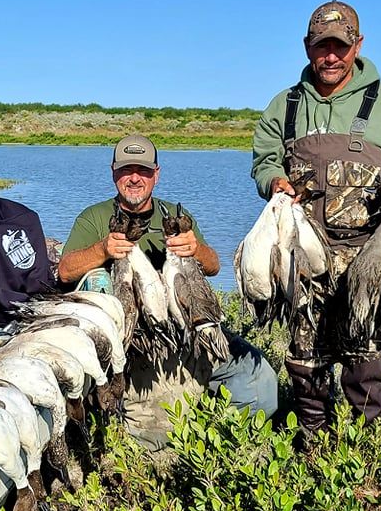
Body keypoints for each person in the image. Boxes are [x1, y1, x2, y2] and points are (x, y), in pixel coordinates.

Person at [251, 0, 381, 436]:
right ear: (306, 47)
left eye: (339, 46)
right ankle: (312, 445)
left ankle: (367, 455)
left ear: (357, 45)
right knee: (305, 361)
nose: (329, 56)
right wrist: (274, 180)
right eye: (320, 46)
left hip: (368, 256)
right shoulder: (286, 105)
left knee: (366, 361)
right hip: (304, 259)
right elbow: (262, 160)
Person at [58, 134, 278, 450]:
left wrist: (194, 249)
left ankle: (220, 444)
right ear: (114, 172)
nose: (134, 178)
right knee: (155, 441)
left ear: (156, 174)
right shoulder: (93, 218)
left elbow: (213, 265)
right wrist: (102, 249)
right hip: (134, 344)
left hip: (187, 330)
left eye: (143, 170)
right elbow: (65, 271)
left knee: (260, 382)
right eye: (126, 170)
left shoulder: (174, 214)